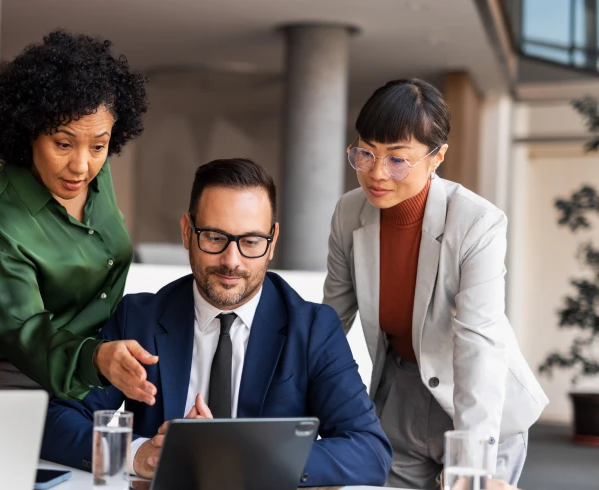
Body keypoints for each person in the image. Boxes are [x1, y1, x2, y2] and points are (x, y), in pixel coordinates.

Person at [41, 159, 392, 488]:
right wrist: (138, 454)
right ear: (187, 232)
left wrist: (245, 458)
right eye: (214, 237)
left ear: (272, 242)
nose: (231, 261)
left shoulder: (313, 329)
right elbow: (58, 421)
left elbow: (369, 450)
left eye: (251, 241)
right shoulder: (139, 318)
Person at [323, 78, 548, 489]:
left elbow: (479, 342)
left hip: (479, 400)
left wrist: (472, 467)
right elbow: (330, 322)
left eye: (397, 159)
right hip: (399, 396)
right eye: (366, 153)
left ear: (437, 156)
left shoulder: (477, 223)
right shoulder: (348, 212)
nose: (376, 173)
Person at [0, 29, 157, 403]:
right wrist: (95, 358)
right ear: (29, 133)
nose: (81, 166)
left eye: (98, 146)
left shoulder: (96, 172)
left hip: (94, 366)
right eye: (63, 144)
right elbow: (27, 335)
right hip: (13, 376)